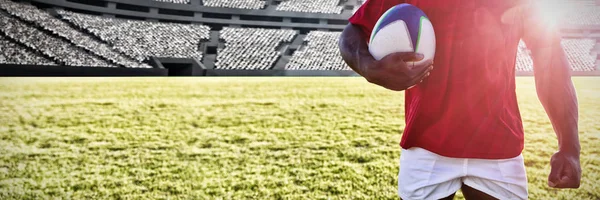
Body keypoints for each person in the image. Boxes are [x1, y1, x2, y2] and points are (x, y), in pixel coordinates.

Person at [338, 0, 581, 199]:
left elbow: (549, 59)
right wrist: (369, 66)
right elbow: (353, 31)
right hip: (427, 144)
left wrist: (570, 146)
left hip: (498, 144)